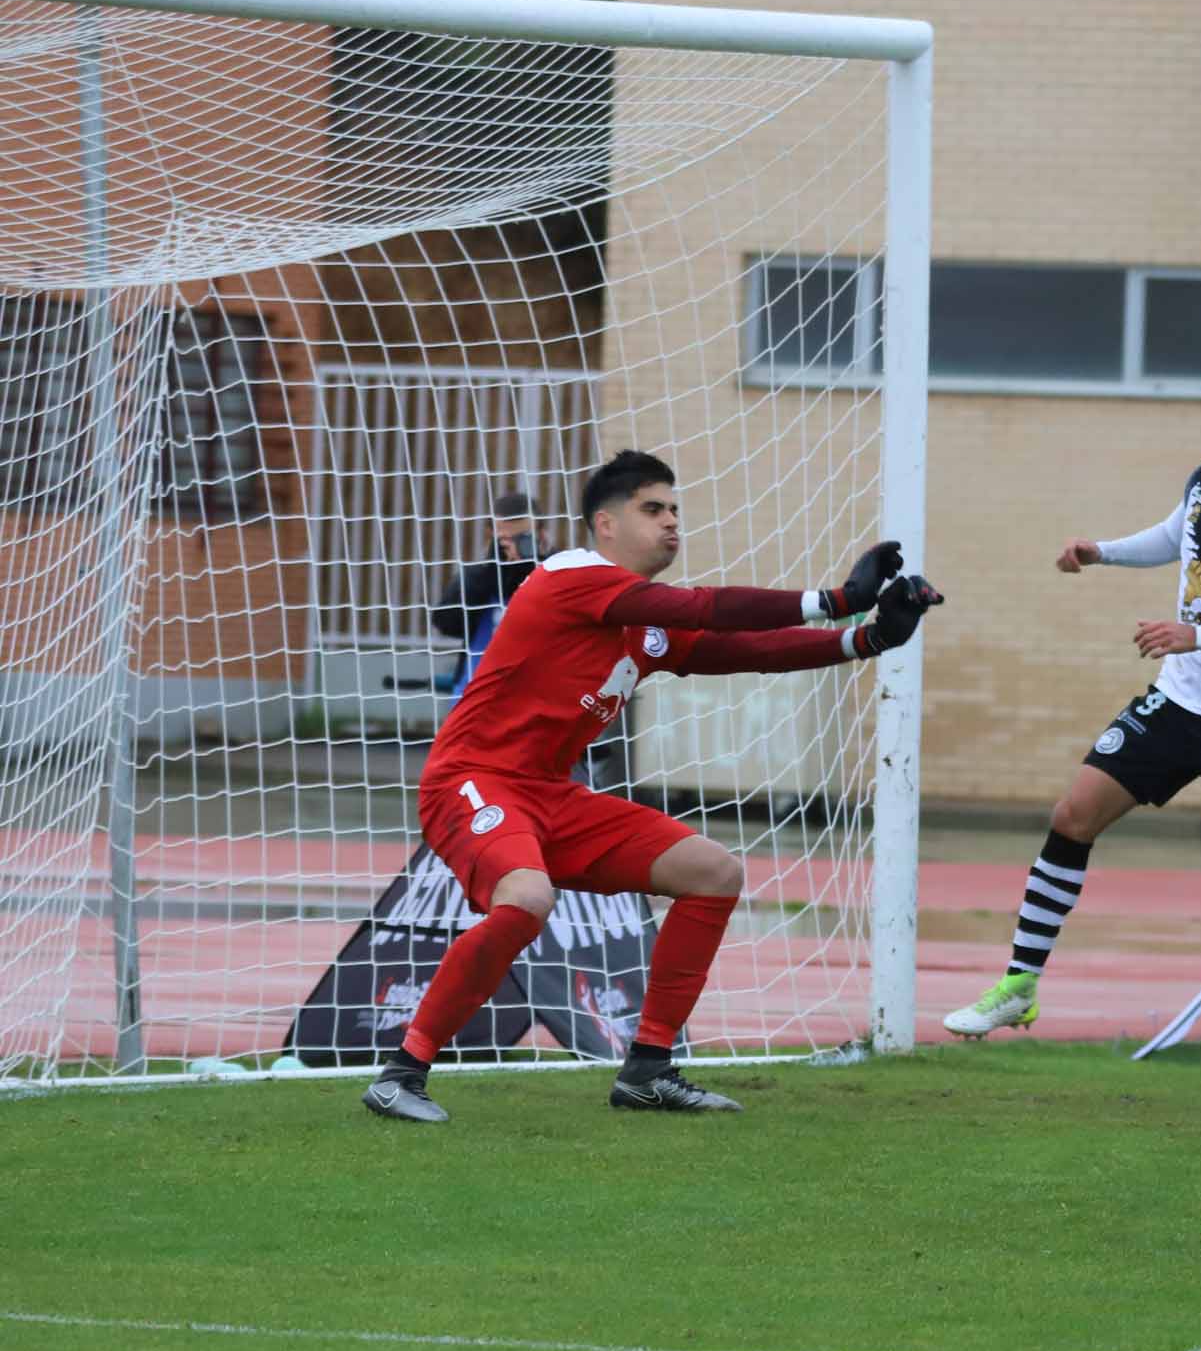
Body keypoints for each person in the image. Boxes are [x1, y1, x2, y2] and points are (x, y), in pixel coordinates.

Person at [362, 450, 940, 1122]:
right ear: (604, 524)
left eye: (675, 511)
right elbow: (706, 606)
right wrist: (834, 601)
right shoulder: (570, 573)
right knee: (526, 897)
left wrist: (868, 640)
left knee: (712, 872)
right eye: (653, 509)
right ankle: (402, 1073)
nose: (671, 523)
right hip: (472, 778)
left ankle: (648, 1070)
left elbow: (743, 650)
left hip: (551, 794)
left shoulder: (647, 625)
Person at [945, 352, 1201, 1038]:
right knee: (1074, 814)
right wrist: (1101, 551)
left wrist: (1195, 638)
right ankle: (1019, 984)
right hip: (1176, 704)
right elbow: (1176, 539)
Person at [431, 490, 542, 702]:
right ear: (492, 534)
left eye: (523, 538)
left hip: (533, 700)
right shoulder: (479, 577)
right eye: (506, 539)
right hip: (475, 700)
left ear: (541, 533)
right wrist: (492, 569)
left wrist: (535, 565)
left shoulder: (556, 574)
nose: (514, 546)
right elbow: (445, 622)